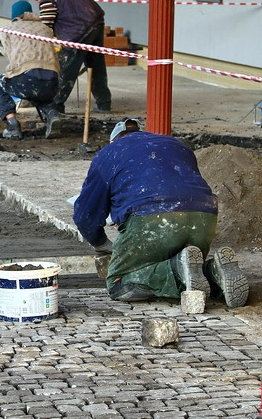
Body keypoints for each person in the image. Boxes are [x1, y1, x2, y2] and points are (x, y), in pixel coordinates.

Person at [72, 118, 249, 307]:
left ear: (114, 140)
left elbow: (86, 215)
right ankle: (214, 271)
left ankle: (176, 269)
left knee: (118, 282)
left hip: (153, 219)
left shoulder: (109, 153)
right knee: (190, 267)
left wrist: (101, 244)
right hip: (204, 218)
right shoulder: (176, 145)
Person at [23, 0, 112, 113]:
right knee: (95, 66)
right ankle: (104, 102)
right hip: (96, 22)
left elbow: (46, 27)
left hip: (78, 31)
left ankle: (56, 105)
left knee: (64, 68)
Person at [0, 0, 61, 139]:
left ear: (14, 15)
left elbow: (11, 57)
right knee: (40, 91)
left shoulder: (8, 29)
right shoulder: (45, 28)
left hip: (27, 78)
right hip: (52, 80)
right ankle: (52, 115)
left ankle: (13, 127)